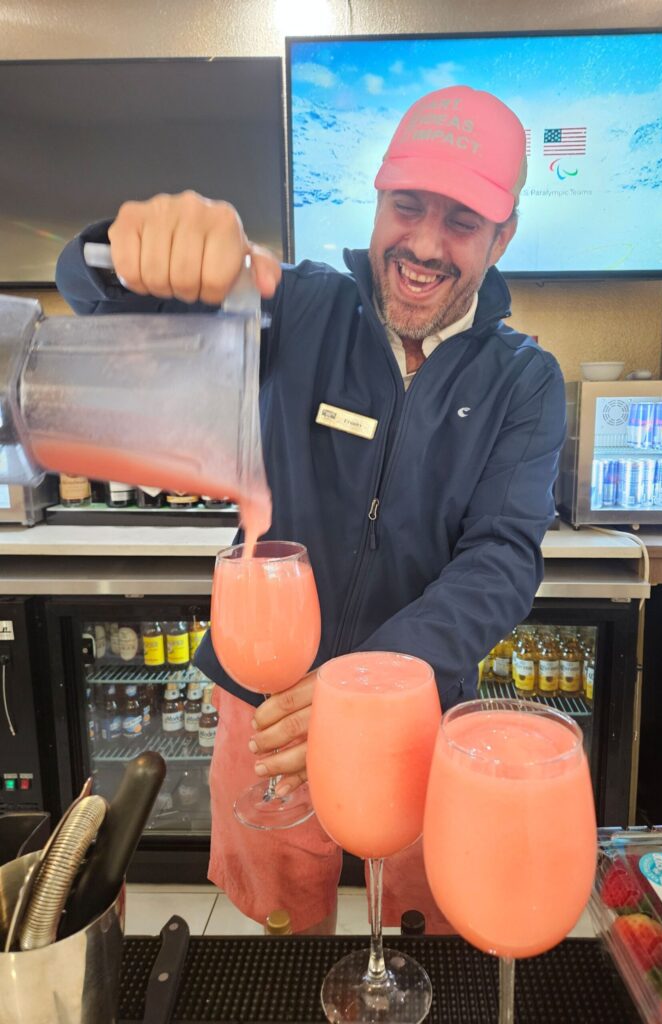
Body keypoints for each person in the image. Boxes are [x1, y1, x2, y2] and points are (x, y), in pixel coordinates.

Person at [56, 85, 566, 934]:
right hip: (265, 703)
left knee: (411, 927)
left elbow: (503, 558)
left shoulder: (524, 380)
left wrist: (369, 685)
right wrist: (127, 245)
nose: (425, 245)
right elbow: (107, 303)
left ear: (503, 237)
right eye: (408, 206)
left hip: (413, 711)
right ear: (376, 199)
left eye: (463, 224)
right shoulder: (295, 307)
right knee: (278, 927)